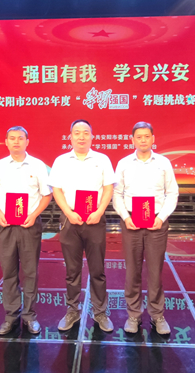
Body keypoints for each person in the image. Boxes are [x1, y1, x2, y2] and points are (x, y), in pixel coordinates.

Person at [48, 119, 116, 333]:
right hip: (70, 220)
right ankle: (72, 310)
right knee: (72, 270)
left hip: (95, 220)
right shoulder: (61, 161)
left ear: (92, 136)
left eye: (85, 132)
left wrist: (99, 211)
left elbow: (108, 188)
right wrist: (68, 213)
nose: (81, 136)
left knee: (98, 270)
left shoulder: (102, 159)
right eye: (77, 132)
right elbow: (56, 190)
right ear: (70, 136)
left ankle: (100, 312)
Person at [0, 126, 52, 335]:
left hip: (29, 226)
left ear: (27, 141)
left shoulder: (38, 165)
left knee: (30, 272)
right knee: (9, 272)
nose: (16, 141)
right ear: (6, 142)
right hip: (6, 226)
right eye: (12, 138)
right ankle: (11, 316)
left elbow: (47, 195)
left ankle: (30, 316)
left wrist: (34, 215)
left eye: (20, 138)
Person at [113, 121, 179, 335]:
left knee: (155, 271)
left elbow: (173, 193)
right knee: (132, 271)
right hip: (131, 221)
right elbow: (117, 194)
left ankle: (157, 315)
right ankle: (133, 314)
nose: (143, 140)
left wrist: (161, 217)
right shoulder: (123, 163)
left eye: (146, 136)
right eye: (139, 137)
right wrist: (125, 217)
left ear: (153, 138)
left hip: (157, 222)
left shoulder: (163, 163)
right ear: (132, 139)